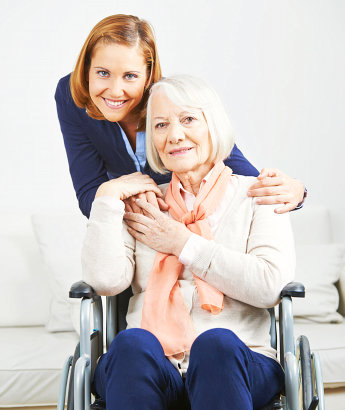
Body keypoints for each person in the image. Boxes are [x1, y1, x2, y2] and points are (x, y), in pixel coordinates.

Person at [82, 75, 296, 409]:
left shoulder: (259, 195)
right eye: (161, 125)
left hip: (238, 362)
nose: (174, 135)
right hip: (149, 367)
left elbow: (270, 285)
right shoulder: (143, 201)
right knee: (132, 344)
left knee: (216, 345)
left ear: (213, 124)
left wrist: (182, 243)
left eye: (188, 119)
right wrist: (107, 196)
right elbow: (105, 281)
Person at [55, 14, 306, 219]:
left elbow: (241, 174)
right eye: (102, 73)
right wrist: (115, 191)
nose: (114, 90)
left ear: (148, 76)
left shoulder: (172, 100)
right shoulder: (70, 97)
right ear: (86, 68)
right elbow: (89, 199)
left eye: (130, 76)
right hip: (134, 232)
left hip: (195, 225)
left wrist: (297, 192)